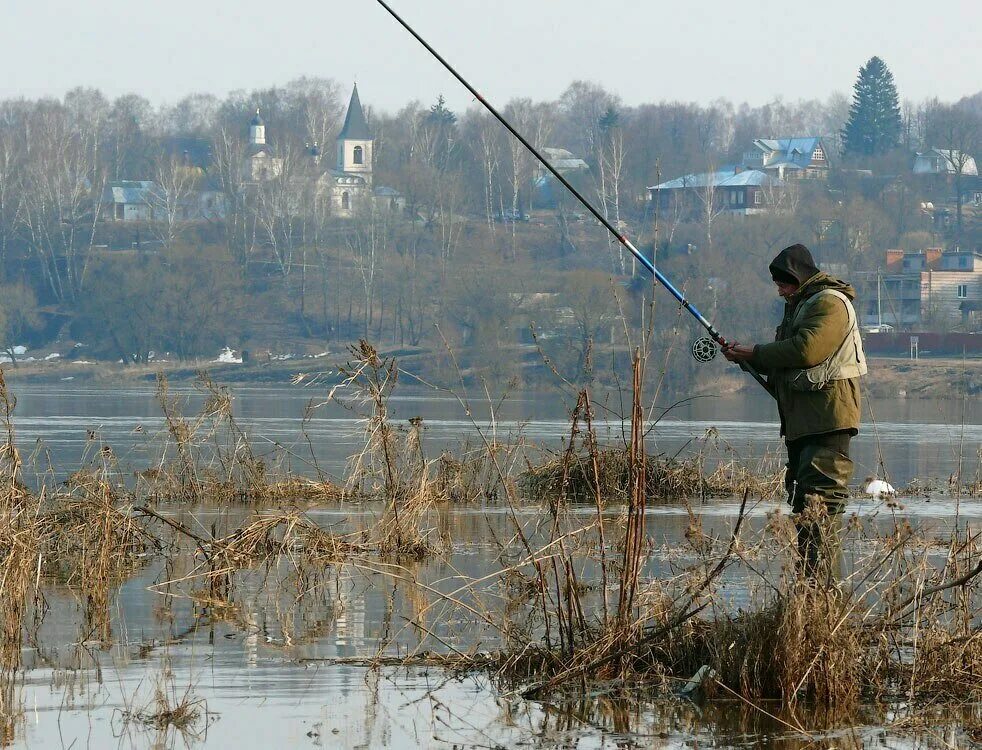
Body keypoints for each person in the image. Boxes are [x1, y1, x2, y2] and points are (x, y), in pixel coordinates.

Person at [723, 243, 867, 582]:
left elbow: (806, 350)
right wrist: (749, 360)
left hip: (827, 423)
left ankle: (824, 604)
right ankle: (812, 600)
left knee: (820, 512)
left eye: (783, 282)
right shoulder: (801, 306)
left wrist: (755, 351)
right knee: (806, 513)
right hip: (805, 425)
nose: (779, 290)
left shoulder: (830, 303)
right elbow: (787, 370)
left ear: (797, 277)